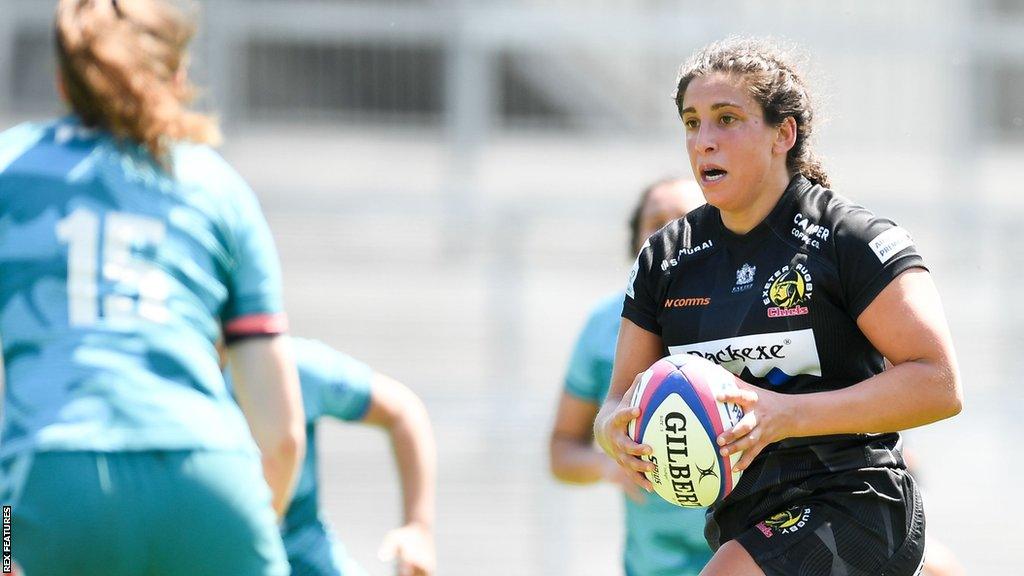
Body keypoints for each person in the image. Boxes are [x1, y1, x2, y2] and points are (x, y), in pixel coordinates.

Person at [594, 37, 962, 576]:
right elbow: (613, 403)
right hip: (744, 517)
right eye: (692, 123)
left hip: (857, 503)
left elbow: (939, 383)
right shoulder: (666, 258)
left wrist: (781, 416)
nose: (704, 142)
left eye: (727, 119)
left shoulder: (848, 239)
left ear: (782, 135)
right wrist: (615, 435)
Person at [0, 1, 305, 574]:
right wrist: (240, 528)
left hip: (52, 482)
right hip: (211, 479)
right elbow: (283, 436)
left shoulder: (9, 172)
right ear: (178, 75)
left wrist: (4, 538)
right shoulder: (218, 187)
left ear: (64, 80)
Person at [549, 177, 712, 576]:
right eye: (656, 222)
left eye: (687, 219)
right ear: (636, 241)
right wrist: (610, 465)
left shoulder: (748, 318)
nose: (672, 233)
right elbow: (561, 451)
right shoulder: (605, 326)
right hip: (653, 565)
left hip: (750, 552)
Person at [221, 337, 438, 576]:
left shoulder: (291, 366)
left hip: (303, 548)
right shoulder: (178, 383)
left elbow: (403, 411)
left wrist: (418, 527)